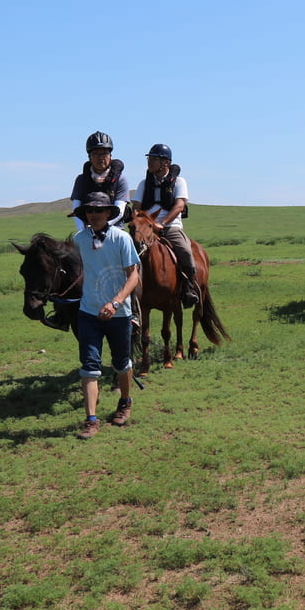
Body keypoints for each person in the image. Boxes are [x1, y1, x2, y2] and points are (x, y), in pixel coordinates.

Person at [72, 192, 141, 439]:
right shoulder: (79, 240)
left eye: (99, 211)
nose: (94, 215)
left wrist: (115, 302)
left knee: (122, 364)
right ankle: (91, 419)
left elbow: (134, 275)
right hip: (88, 312)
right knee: (89, 367)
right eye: (90, 211)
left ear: (109, 214)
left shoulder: (122, 239)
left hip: (119, 313)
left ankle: (125, 402)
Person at [131, 143, 199, 308]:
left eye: (154, 159)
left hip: (170, 226)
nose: (150, 162)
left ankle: (189, 287)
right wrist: (137, 220)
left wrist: (162, 223)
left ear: (166, 163)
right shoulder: (143, 183)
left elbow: (179, 206)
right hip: (146, 227)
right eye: (150, 159)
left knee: (185, 250)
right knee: (126, 249)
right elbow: (136, 206)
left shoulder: (179, 182)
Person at [69, 131, 129, 233]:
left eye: (104, 153)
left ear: (110, 156)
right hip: (87, 230)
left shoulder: (121, 180)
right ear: (89, 157)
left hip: (115, 230)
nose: (100, 157)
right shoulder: (81, 179)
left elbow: (120, 211)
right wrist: (83, 231)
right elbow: (76, 208)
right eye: (95, 154)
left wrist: (101, 227)